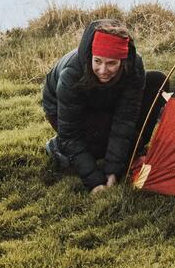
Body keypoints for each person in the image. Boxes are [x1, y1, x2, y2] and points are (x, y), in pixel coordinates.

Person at [41, 18, 166, 193]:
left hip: (105, 98)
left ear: (123, 61)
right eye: (97, 61)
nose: (103, 70)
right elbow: (71, 134)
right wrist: (95, 180)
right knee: (91, 143)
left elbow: (125, 118)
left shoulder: (134, 66)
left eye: (112, 63)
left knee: (157, 81)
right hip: (62, 107)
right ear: (91, 56)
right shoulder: (72, 73)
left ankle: (131, 150)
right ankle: (57, 147)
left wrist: (112, 172)